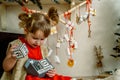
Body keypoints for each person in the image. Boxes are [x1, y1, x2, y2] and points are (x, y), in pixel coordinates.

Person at [1, 12, 71, 80]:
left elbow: (46, 66)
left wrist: (51, 71)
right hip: (24, 77)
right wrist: (13, 58)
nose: (38, 43)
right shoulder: (16, 45)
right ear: (26, 31)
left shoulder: (43, 48)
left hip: (40, 76)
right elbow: (6, 68)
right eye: (35, 38)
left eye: (42, 39)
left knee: (57, 77)